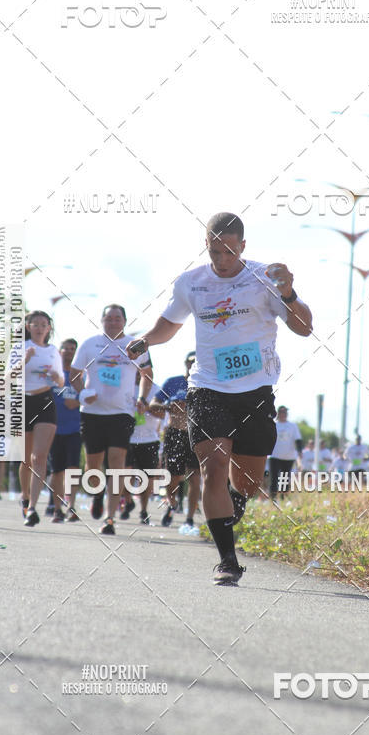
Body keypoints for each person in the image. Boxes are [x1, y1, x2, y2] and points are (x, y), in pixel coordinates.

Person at [126, 211, 313, 585]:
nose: (222, 260)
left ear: (243, 246)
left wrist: (289, 293)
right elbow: (170, 324)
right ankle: (228, 560)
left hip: (255, 391)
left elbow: (305, 327)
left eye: (229, 251)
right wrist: (147, 339)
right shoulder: (191, 283)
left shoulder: (265, 279)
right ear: (206, 246)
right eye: (215, 251)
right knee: (212, 469)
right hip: (208, 388)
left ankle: (232, 503)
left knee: (246, 482)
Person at [71, 304, 153, 534]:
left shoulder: (135, 345)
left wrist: (143, 399)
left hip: (122, 413)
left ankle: (109, 518)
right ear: (101, 320)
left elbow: (147, 375)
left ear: (125, 321)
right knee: (93, 465)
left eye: (117, 318)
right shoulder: (90, 344)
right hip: (92, 413)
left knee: (117, 463)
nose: (113, 322)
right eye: (108, 318)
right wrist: (82, 394)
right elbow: (74, 374)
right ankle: (97, 495)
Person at [10, 310, 64, 527]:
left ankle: (32, 507)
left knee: (39, 457)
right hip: (22, 401)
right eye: (36, 324)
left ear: (49, 328)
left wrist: (57, 377)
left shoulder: (53, 351)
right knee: (25, 459)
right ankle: (25, 497)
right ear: (28, 326)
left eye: (44, 324)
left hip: (45, 401)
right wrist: (25, 360)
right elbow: (6, 378)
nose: (40, 327)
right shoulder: (19, 348)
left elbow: (61, 382)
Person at [148, 352, 201, 528]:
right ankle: (171, 506)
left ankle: (190, 518)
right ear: (186, 363)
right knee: (173, 477)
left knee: (195, 478)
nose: (193, 365)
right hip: (175, 433)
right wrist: (170, 407)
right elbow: (153, 405)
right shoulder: (173, 382)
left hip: (197, 435)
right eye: (191, 362)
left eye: (197, 362)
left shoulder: (206, 384)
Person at [49, 339, 84, 522]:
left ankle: (71, 506)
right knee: (56, 471)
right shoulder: (53, 374)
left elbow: (91, 396)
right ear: (59, 351)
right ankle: (56, 508)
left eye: (73, 349)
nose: (69, 352)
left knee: (73, 468)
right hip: (53, 428)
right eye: (66, 349)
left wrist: (78, 402)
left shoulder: (81, 376)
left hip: (74, 428)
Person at [125, 374, 163, 524]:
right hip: (128, 438)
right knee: (125, 473)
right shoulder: (125, 385)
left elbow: (162, 414)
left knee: (147, 478)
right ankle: (128, 501)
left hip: (149, 439)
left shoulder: (157, 390)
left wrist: (146, 407)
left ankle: (144, 510)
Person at [268, 405, 302, 500]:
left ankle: (283, 498)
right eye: (282, 412)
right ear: (278, 413)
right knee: (274, 478)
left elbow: (298, 439)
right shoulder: (274, 424)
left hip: (288, 456)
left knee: (285, 478)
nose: (284, 414)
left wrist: (299, 451)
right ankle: (273, 498)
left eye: (285, 412)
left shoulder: (292, 426)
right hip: (274, 455)